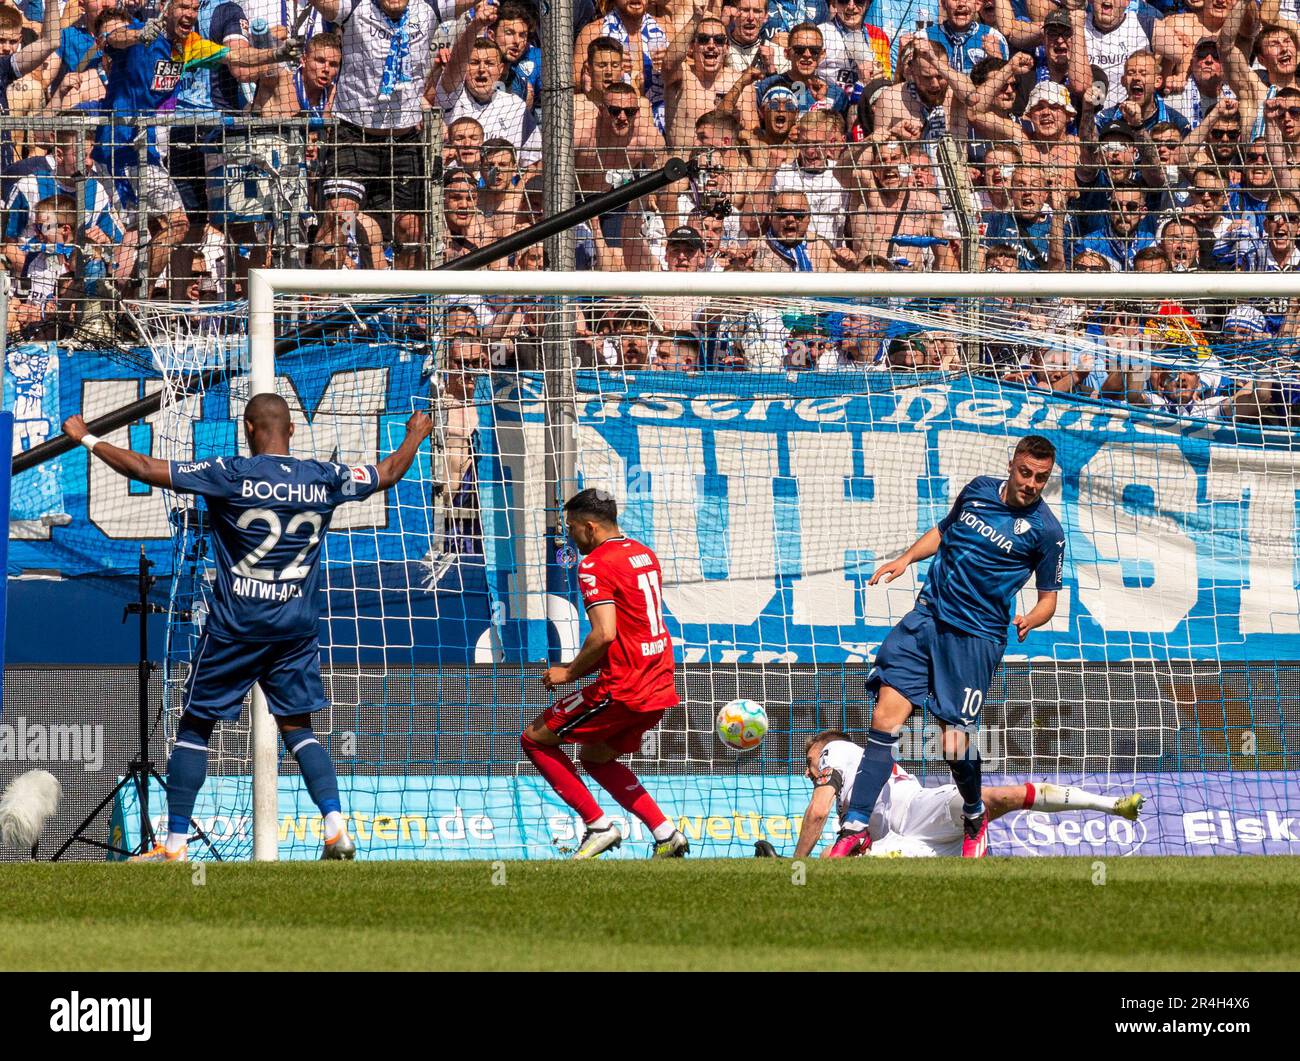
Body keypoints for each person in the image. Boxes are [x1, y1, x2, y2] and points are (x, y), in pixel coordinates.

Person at [61, 394, 434, 861]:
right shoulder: (325, 477)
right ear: (293, 429)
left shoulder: (229, 474)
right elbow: (389, 473)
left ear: (247, 428)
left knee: (195, 727)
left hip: (237, 627)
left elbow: (143, 467)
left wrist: (87, 438)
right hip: (295, 627)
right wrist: (415, 435)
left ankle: (175, 846)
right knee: (298, 728)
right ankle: (336, 825)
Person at [829, 434, 1065, 859]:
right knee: (885, 718)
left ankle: (974, 813)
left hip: (975, 639)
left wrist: (1032, 617)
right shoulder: (976, 489)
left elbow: (1049, 598)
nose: (1031, 483)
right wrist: (906, 558)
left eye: (1040, 478)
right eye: (1025, 473)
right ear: (1012, 464)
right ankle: (856, 825)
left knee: (953, 745)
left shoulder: (1047, 532)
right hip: (927, 618)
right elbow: (943, 530)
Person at [521, 488, 688, 859]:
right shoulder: (644, 553)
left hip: (625, 686)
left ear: (590, 528)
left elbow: (604, 634)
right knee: (596, 757)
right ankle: (665, 834)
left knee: (535, 738)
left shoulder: (595, 564)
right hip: (659, 682)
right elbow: (626, 633)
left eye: (572, 529)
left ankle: (598, 826)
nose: (569, 536)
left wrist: (568, 673)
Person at [794, 730, 1145, 858]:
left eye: (810, 763)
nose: (810, 772)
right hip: (913, 844)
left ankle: (1112, 805)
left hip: (921, 808)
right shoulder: (849, 805)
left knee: (990, 799)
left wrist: (796, 865)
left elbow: (816, 812)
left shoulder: (835, 750)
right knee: (835, 860)